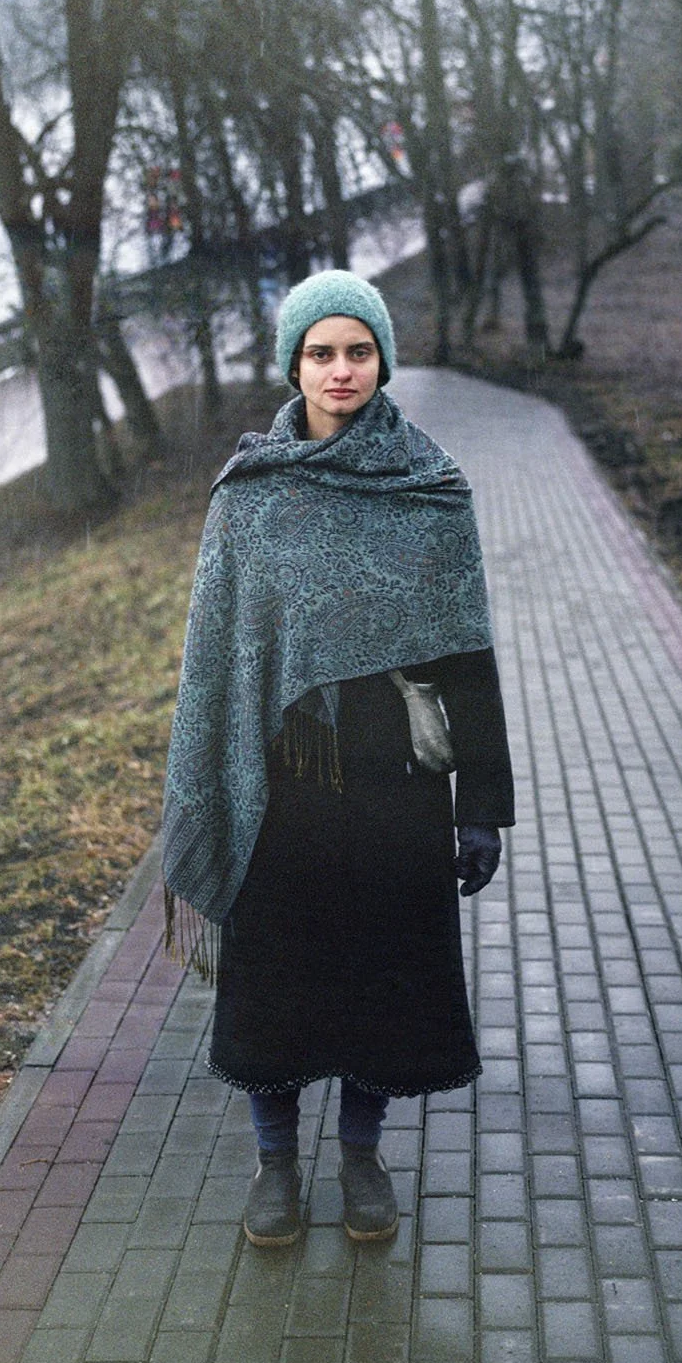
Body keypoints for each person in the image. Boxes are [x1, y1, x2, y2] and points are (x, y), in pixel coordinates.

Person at [161, 269, 515, 1246]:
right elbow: (215, 660)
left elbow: (467, 655)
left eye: (359, 350)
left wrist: (479, 801)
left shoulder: (430, 488)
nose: (341, 369)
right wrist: (208, 797)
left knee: (380, 980)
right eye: (321, 352)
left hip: (396, 790)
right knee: (274, 983)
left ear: (383, 359)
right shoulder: (250, 494)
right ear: (293, 364)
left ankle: (361, 1160)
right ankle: (275, 1168)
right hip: (280, 791)